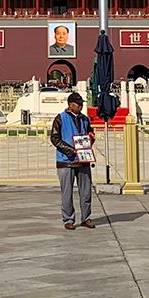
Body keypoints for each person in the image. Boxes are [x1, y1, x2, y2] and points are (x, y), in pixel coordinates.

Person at [48, 92, 95, 230]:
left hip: (83, 160)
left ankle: (86, 217)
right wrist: (70, 150)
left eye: (81, 104)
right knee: (67, 192)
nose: (80, 106)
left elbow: (89, 133)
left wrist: (91, 137)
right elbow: (55, 138)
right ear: (70, 105)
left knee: (86, 192)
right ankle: (68, 219)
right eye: (77, 104)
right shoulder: (60, 118)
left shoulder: (85, 119)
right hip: (65, 161)